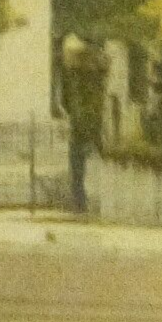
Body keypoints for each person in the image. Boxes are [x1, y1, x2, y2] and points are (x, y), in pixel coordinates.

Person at [60, 34, 109, 215]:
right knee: (97, 156)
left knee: (77, 164)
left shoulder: (71, 70)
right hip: (95, 117)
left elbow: (65, 98)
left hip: (79, 119)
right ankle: (93, 201)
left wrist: (73, 111)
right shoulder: (100, 66)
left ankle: (79, 202)